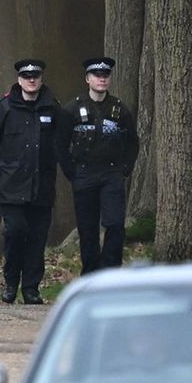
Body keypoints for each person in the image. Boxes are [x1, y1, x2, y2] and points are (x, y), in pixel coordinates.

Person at [0, 58, 60, 305]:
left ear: (41, 79)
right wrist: (9, 167)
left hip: (42, 186)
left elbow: (60, 141)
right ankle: (10, 284)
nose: (31, 80)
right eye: (27, 77)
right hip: (12, 187)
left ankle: (31, 288)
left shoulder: (52, 108)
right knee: (15, 233)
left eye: (35, 76)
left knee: (37, 239)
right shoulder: (4, 108)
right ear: (19, 79)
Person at [57, 57, 138, 274]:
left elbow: (132, 142)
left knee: (114, 225)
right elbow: (60, 143)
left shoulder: (119, 109)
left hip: (111, 174)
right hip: (83, 174)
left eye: (105, 76)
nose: (102, 79)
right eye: (97, 76)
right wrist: (71, 172)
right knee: (88, 228)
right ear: (88, 79)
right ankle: (91, 273)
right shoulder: (72, 109)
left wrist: (125, 169)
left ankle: (110, 271)